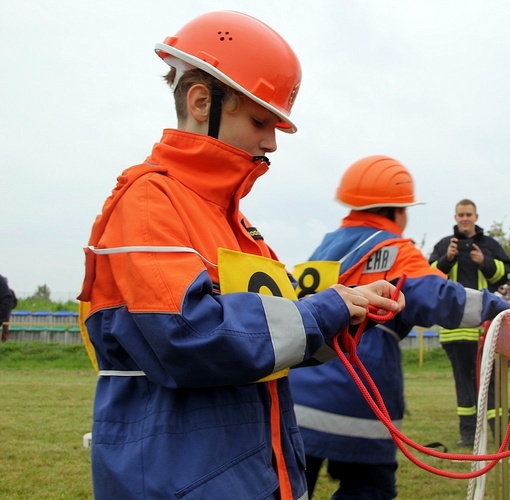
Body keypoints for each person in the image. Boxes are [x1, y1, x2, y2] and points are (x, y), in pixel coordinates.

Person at [77, 12, 404, 499]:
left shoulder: (237, 224)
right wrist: (326, 308)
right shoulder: (149, 201)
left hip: (247, 475)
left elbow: (271, 341)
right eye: (259, 120)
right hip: (185, 481)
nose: (271, 141)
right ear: (201, 101)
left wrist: (348, 313)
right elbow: (189, 337)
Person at [288, 157, 510, 498]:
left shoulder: (328, 245)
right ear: (397, 211)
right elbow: (437, 296)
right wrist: (503, 308)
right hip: (357, 393)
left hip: (298, 391)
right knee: (370, 488)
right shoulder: (394, 248)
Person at [428, 199, 510, 447]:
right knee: (464, 384)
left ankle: (500, 435)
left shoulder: (489, 245)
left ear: (476, 216)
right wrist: (446, 260)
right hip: (454, 331)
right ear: (455, 217)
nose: (465, 218)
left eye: (468, 214)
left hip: (486, 329)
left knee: (492, 382)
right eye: (460, 215)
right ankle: (468, 435)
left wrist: (484, 262)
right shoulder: (445, 245)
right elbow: (427, 276)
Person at [0, 275, 16, 343]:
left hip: (7, 311)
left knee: (5, 327)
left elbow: (14, 300)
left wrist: (11, 307)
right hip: (6, 310)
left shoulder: (9, 292)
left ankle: (4, 340)